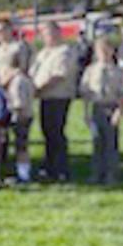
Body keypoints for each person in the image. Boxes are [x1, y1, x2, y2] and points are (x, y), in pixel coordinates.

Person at [29, 21, 78, 182]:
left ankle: (61, 169)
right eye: (43, 34)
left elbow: (59, 75)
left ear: (58, 33)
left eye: (48, 33)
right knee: (47, 132)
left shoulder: (65, 51)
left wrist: (39, 89)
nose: (46, 37)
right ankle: (49, 167)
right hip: (44, 97)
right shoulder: (43, 53)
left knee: (56, 133)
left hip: (58, 96)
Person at [80, 38, 123, 185]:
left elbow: (122, 94)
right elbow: (86, 93)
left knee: (111, 143)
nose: (104, 53)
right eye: (100, 50)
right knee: (97, 142)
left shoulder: (118, 71)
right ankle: (96, 173)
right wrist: (86, 113)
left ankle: (111, 174)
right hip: (96, 108)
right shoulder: (90, 70)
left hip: (111, 107)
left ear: (113, 51)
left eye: (107, 49)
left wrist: (119, 112)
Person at [7, 53, 35, 183]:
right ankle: (23, 172)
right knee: (22, 146)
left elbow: (19, 103)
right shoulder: (27, 79)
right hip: (27, 114)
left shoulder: (18, 81)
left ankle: (23, 174)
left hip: (21, 116)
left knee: (21, 146)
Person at [0, 21, 30, 87]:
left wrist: (8, 78)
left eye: (2, 30)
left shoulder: (19, 46)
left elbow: (22, 68)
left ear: (9, 29)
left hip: (14, 82)